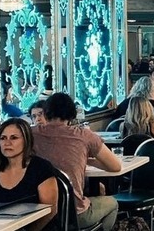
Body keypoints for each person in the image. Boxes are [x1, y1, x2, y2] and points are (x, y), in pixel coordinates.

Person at [33, 92, 120, 230]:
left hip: (40, 214)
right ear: (72, 114)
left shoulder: (31, 134)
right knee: (112, 203)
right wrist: (87, 160)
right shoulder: (84, 135)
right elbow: (115, 166)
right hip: (74, 214)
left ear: (46, 113)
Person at [0, 118, 59, 231]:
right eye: (3, 138)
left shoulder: (41, 168)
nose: (7, 143)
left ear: (26, 141)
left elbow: (50, 211)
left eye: (14, 138)